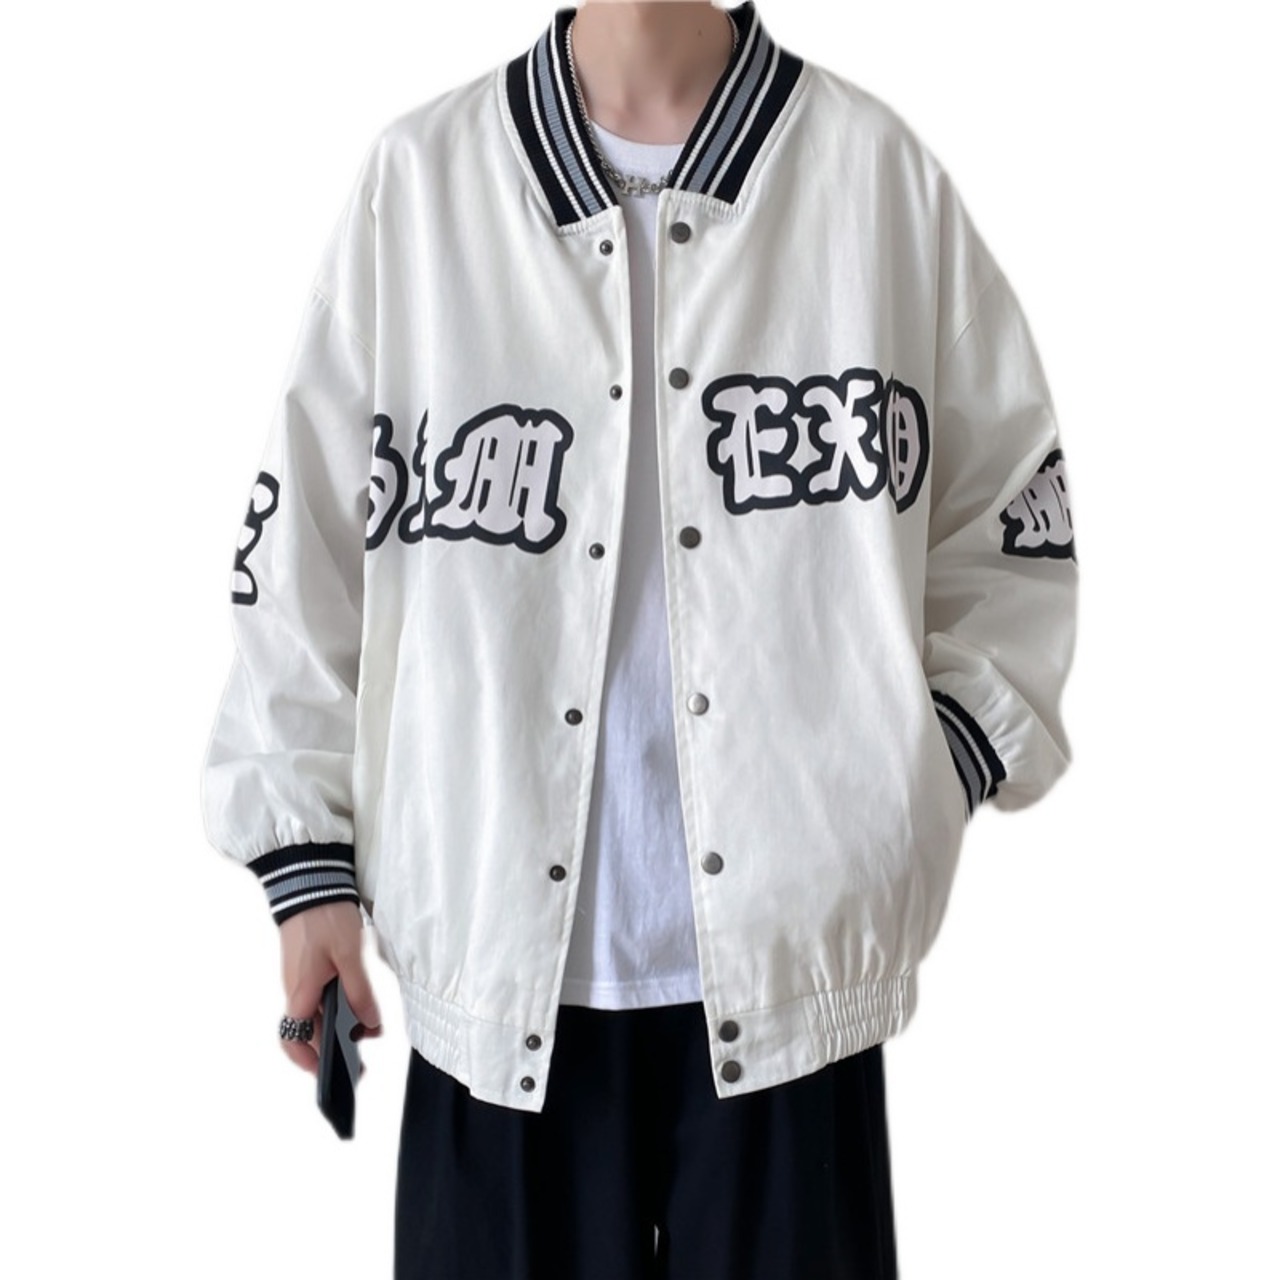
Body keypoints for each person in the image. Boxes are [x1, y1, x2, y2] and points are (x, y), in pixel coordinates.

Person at [199, 1, 1078, 1276]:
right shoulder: (421, 186)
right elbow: (299, 563)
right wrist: (308, 867)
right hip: (492, 973)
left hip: (795, 987)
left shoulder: (872, 179)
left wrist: (918, 774)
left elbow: (1012, 527)